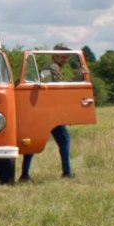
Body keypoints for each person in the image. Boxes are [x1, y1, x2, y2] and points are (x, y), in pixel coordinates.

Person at [19, 43, 87, 182]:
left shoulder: (50, 67)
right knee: (64, 140)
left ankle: (25, 174)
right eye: (63, 56)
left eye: (67, 57)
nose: (65, 59)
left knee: (34, 142)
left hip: (42, 110)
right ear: (55, 55)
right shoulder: (53, 67)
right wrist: (79, 77)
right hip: (48, 112)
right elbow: (60, 88)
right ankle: (67, 172)